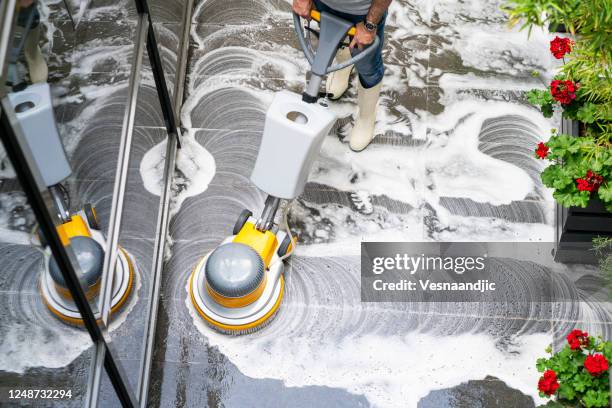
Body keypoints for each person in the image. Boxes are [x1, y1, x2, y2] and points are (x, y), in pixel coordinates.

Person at [292, 0, 392, 151]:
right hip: (323, 4)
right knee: (334, 38)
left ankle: (366, 116)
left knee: (367, 66)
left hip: (363, 13)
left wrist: (370, 24)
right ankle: (344, 61)